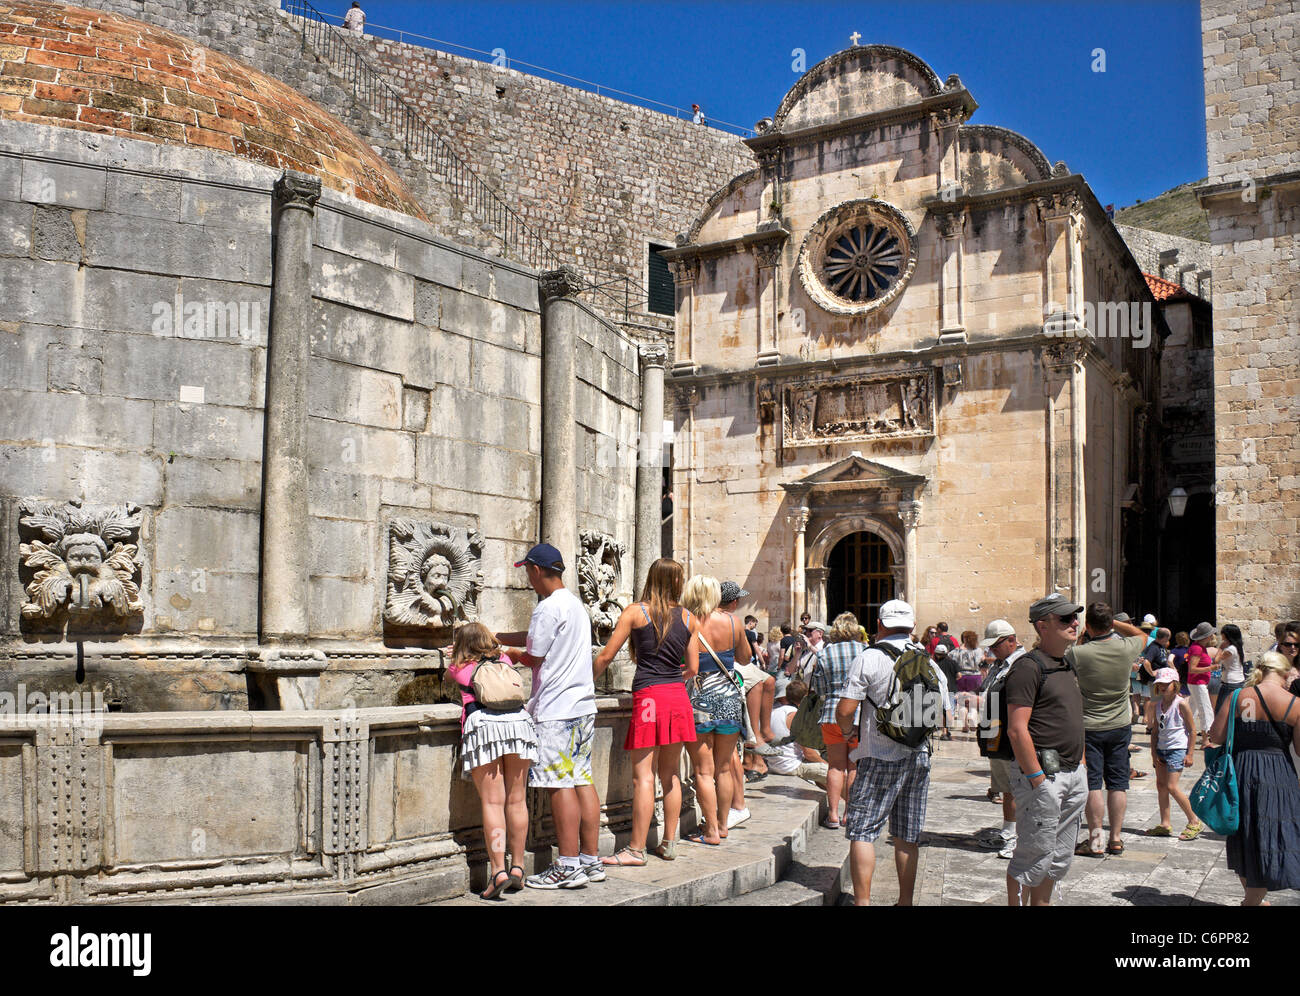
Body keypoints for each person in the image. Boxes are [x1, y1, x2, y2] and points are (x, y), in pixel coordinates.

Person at [496, 543, 602, 889]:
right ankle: (590, 859)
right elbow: (536, 642)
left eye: (528, 572)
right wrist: (495, 637)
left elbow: (532, 657)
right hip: (583, 706)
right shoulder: (575, 605)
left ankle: (568, 865)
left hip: (557, 710)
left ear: (537, 571)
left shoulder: (546, 608)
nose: (528, 579)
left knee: (559, 785)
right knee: (582, 779)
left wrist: (504, 651)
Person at [835, 599, 947, 906]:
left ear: (879, 625)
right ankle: (905, 901)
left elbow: (845, 709)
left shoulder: (869, 657)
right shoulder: (927, 658)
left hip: (878, 755)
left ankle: (863, 902)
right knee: (907, 833)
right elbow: (944, 708)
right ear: (912, 626)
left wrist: (848, 732)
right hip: (918, 755)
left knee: (863, 831)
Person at [592, 558, 698, 865]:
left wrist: (586, 684)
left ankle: (636, 849)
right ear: (678, 583)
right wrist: (671, 677)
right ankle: (669, 842)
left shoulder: (635, 612)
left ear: (651, 578)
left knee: (643, 778)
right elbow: (691, 668)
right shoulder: (690, 619)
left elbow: (606, 656)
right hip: (677, 697)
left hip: (649, 696)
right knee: (672, 775)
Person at [1005, 593, 1088, 907]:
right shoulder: (1028, 668)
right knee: (1031, 855)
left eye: (1074, 617)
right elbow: (1017, 728)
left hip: (1071, 773)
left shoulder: (1066, 664)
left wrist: (1081, 765)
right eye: (1065, 619)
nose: (1074, 623)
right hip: (1043, 776)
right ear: (1042, 626)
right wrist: (1038, 780)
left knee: (1058, 857)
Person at [447, 622, 539, 899]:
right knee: (516, 799)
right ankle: (519, 868)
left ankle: (498, 869)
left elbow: (448, 678)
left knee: (492, 802)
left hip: (485, 727)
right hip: (519, 723)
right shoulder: (505, 659)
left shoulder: (459, 669)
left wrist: (452, 656)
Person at [1207, 652, 1300, 905]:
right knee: (1271, 831)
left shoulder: (1238, 696)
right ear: (1282, 673)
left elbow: (1215, 736)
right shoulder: (1294, 703)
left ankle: (1253, 897)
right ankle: (1251, 901)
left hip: (1242, 769)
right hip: (1277, 773)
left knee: (1246, 831)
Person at [1069, 602, 1147, 858]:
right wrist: (1115, 623)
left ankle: (1095, 841)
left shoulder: (1080, 653)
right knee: (1118, 783)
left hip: (1090, 725)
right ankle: (1115, 838)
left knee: (1093, 783)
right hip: (1120, 725)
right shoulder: (1126, 648)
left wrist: (1084, 637)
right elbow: (1142, 635)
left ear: (1088, 626)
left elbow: (1067, 659)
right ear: (1110, 624)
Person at [680, 574, 748, 845]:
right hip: (730, 698)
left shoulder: (688, 623)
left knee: (703, 771)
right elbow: (744, 658)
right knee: (723, 768)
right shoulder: (734, 621)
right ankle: (722, 826)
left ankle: (709, 832)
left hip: (699, 700)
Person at [808, 612, 867, 830]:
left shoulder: (825, 653)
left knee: (835, 766)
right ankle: (849, 814)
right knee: (853, 766)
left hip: (831, 714)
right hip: (858, 714)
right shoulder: (865, 651)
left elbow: (820, 689)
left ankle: (832, 814)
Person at [976, 619, 1024, 863]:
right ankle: (1008, 832)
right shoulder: (1002, 664)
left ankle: (1018, 839)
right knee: (1005, 786)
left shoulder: (1022, 665)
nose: (992, 649)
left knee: (1016, 787)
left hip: (1011, 732)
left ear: (1011, 641)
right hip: (996, 732)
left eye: (996, 644)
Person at [1143, 667, 1201, 840]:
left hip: (1177, 749)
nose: (1163, 687)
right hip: (1162, 748)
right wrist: (1153, 754)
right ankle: (1165, 823)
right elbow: (1154, 732)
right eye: (1160, 684)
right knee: (1161, 785)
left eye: (1166, 684)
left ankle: (1194, 821)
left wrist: (1190, 754)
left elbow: (1192, 730)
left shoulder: (1181, 703)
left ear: (1174, 685)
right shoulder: (1157, 705)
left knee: (1172, 786)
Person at [766, 679, 829, 787]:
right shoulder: (796, 716)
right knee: (837, 774)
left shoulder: (774, 712)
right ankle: (845, 802)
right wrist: (827, 765)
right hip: (790, 767)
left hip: (773, 765)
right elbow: (808, 753)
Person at [1186, 623, 1218, 747]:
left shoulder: (1199, 647)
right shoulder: (1197, 649)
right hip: (1197, 683)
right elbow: (1192, 669)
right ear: (1206, 636)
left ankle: (1186, 736)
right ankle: (1205, 740)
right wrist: (1211, 668)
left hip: (1198, 683)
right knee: (1205, 710)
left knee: (1192, 711)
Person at [951, 630, 984, 732]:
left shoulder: (957, 651)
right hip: (975, 677)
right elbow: (981, 661)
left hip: (961, 677)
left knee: (961, 702)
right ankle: (972, 719)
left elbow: (950, 658)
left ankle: (964, 725)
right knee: (973, 701)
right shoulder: (978, 651)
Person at [1213, 623, 1247, 711]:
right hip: (1238, 681)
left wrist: (1220, 648)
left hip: (1230, 683)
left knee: (1220, 710)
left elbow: (1216, 660)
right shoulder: (1238, 647)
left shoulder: (1230, 649)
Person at [933, 643, 958, 741]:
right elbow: (959, 675)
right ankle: (945, 732)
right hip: (951, 689)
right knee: (948, 711)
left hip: (938, 690)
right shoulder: (952, 662)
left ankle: (941, 730)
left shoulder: (934, 664)